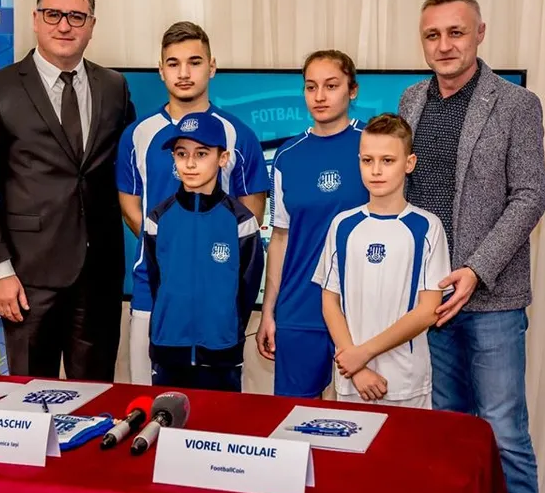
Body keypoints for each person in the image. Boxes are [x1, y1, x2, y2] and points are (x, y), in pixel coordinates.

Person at [399, 0, 545, 493]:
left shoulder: (516, 104)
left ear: (480, 34)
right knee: (448, 429)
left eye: (456, 32)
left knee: (504, 434)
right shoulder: (411, 100)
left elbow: (530, 196)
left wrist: (476, 270)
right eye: (432, 35)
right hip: (431, 300)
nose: (444, 45)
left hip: (493, 301)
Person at [0, 0, 135, 381]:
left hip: (100, 276)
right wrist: (0, 272)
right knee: (29, 398)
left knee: (95, 398)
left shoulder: (115, 87)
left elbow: (130, 171)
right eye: (54, 14)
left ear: (91, 26)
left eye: (77, 17)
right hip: (27, 279)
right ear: (36, 20)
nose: (64, 26)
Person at [116, 21, 268, 385]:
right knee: (152, 404)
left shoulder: (239, 135)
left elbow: (252, 214)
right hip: (152, 294)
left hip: (217, 301)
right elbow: (130, 206)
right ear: (161, 70)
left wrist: (208, 258)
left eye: (195, 62)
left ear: (212, 67)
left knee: (217, 408)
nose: (184, 73)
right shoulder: (137, 135)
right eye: (173, 63)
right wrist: (174, 251)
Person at [312, 114, 452, 408]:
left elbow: (428, 310)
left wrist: (362, 354)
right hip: (352, 380)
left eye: (387, 160)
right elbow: (329, 302)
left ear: (409, 163)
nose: (376, 170)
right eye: (367, 160)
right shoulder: (342, 225)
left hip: (406, 383)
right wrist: (356, 367)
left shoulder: (427, 227)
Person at [255, 50, 368, 398]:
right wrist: (269, 311)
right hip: (300, 309)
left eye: (331, 86)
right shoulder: (287, 156)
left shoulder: (373, 146)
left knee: (365, 422)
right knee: (294, 419)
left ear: (352, 90)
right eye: (311, 86)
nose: (319, 96)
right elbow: (280, 238)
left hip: (362, 310)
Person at [142, 112, 264, 392]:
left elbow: (247, 287)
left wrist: (224, 328)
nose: (190, 163)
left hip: (221, 354)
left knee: (219, 419)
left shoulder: (241, 222)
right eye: (181, 154)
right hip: (168, 350)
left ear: (223, 158)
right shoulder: (158, 219)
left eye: (201, 153)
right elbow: (156, 280)